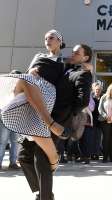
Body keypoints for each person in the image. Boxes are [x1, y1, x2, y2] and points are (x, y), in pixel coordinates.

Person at [19, 41, 93, 200]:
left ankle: (44, 197)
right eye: (73, 52)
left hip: (57, 122)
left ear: (85, 57)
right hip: (42, 116)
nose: (72, 55)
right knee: (24, 156)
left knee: (41, 156)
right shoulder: (67, 67)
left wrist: (66, 115)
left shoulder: (83, 74)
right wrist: (32, 70)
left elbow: (83, 101)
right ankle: (43, 192)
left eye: (77, 54)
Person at [91, 82, 103, 160]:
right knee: (92, 138)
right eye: (96, 90)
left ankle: (97, 153)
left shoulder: (103, 98)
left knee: (98, 138)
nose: (97, 91)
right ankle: (92, 154)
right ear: (94, 90)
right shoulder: (91, 98)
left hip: (100, 121)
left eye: (99, 90)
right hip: (92, 120)